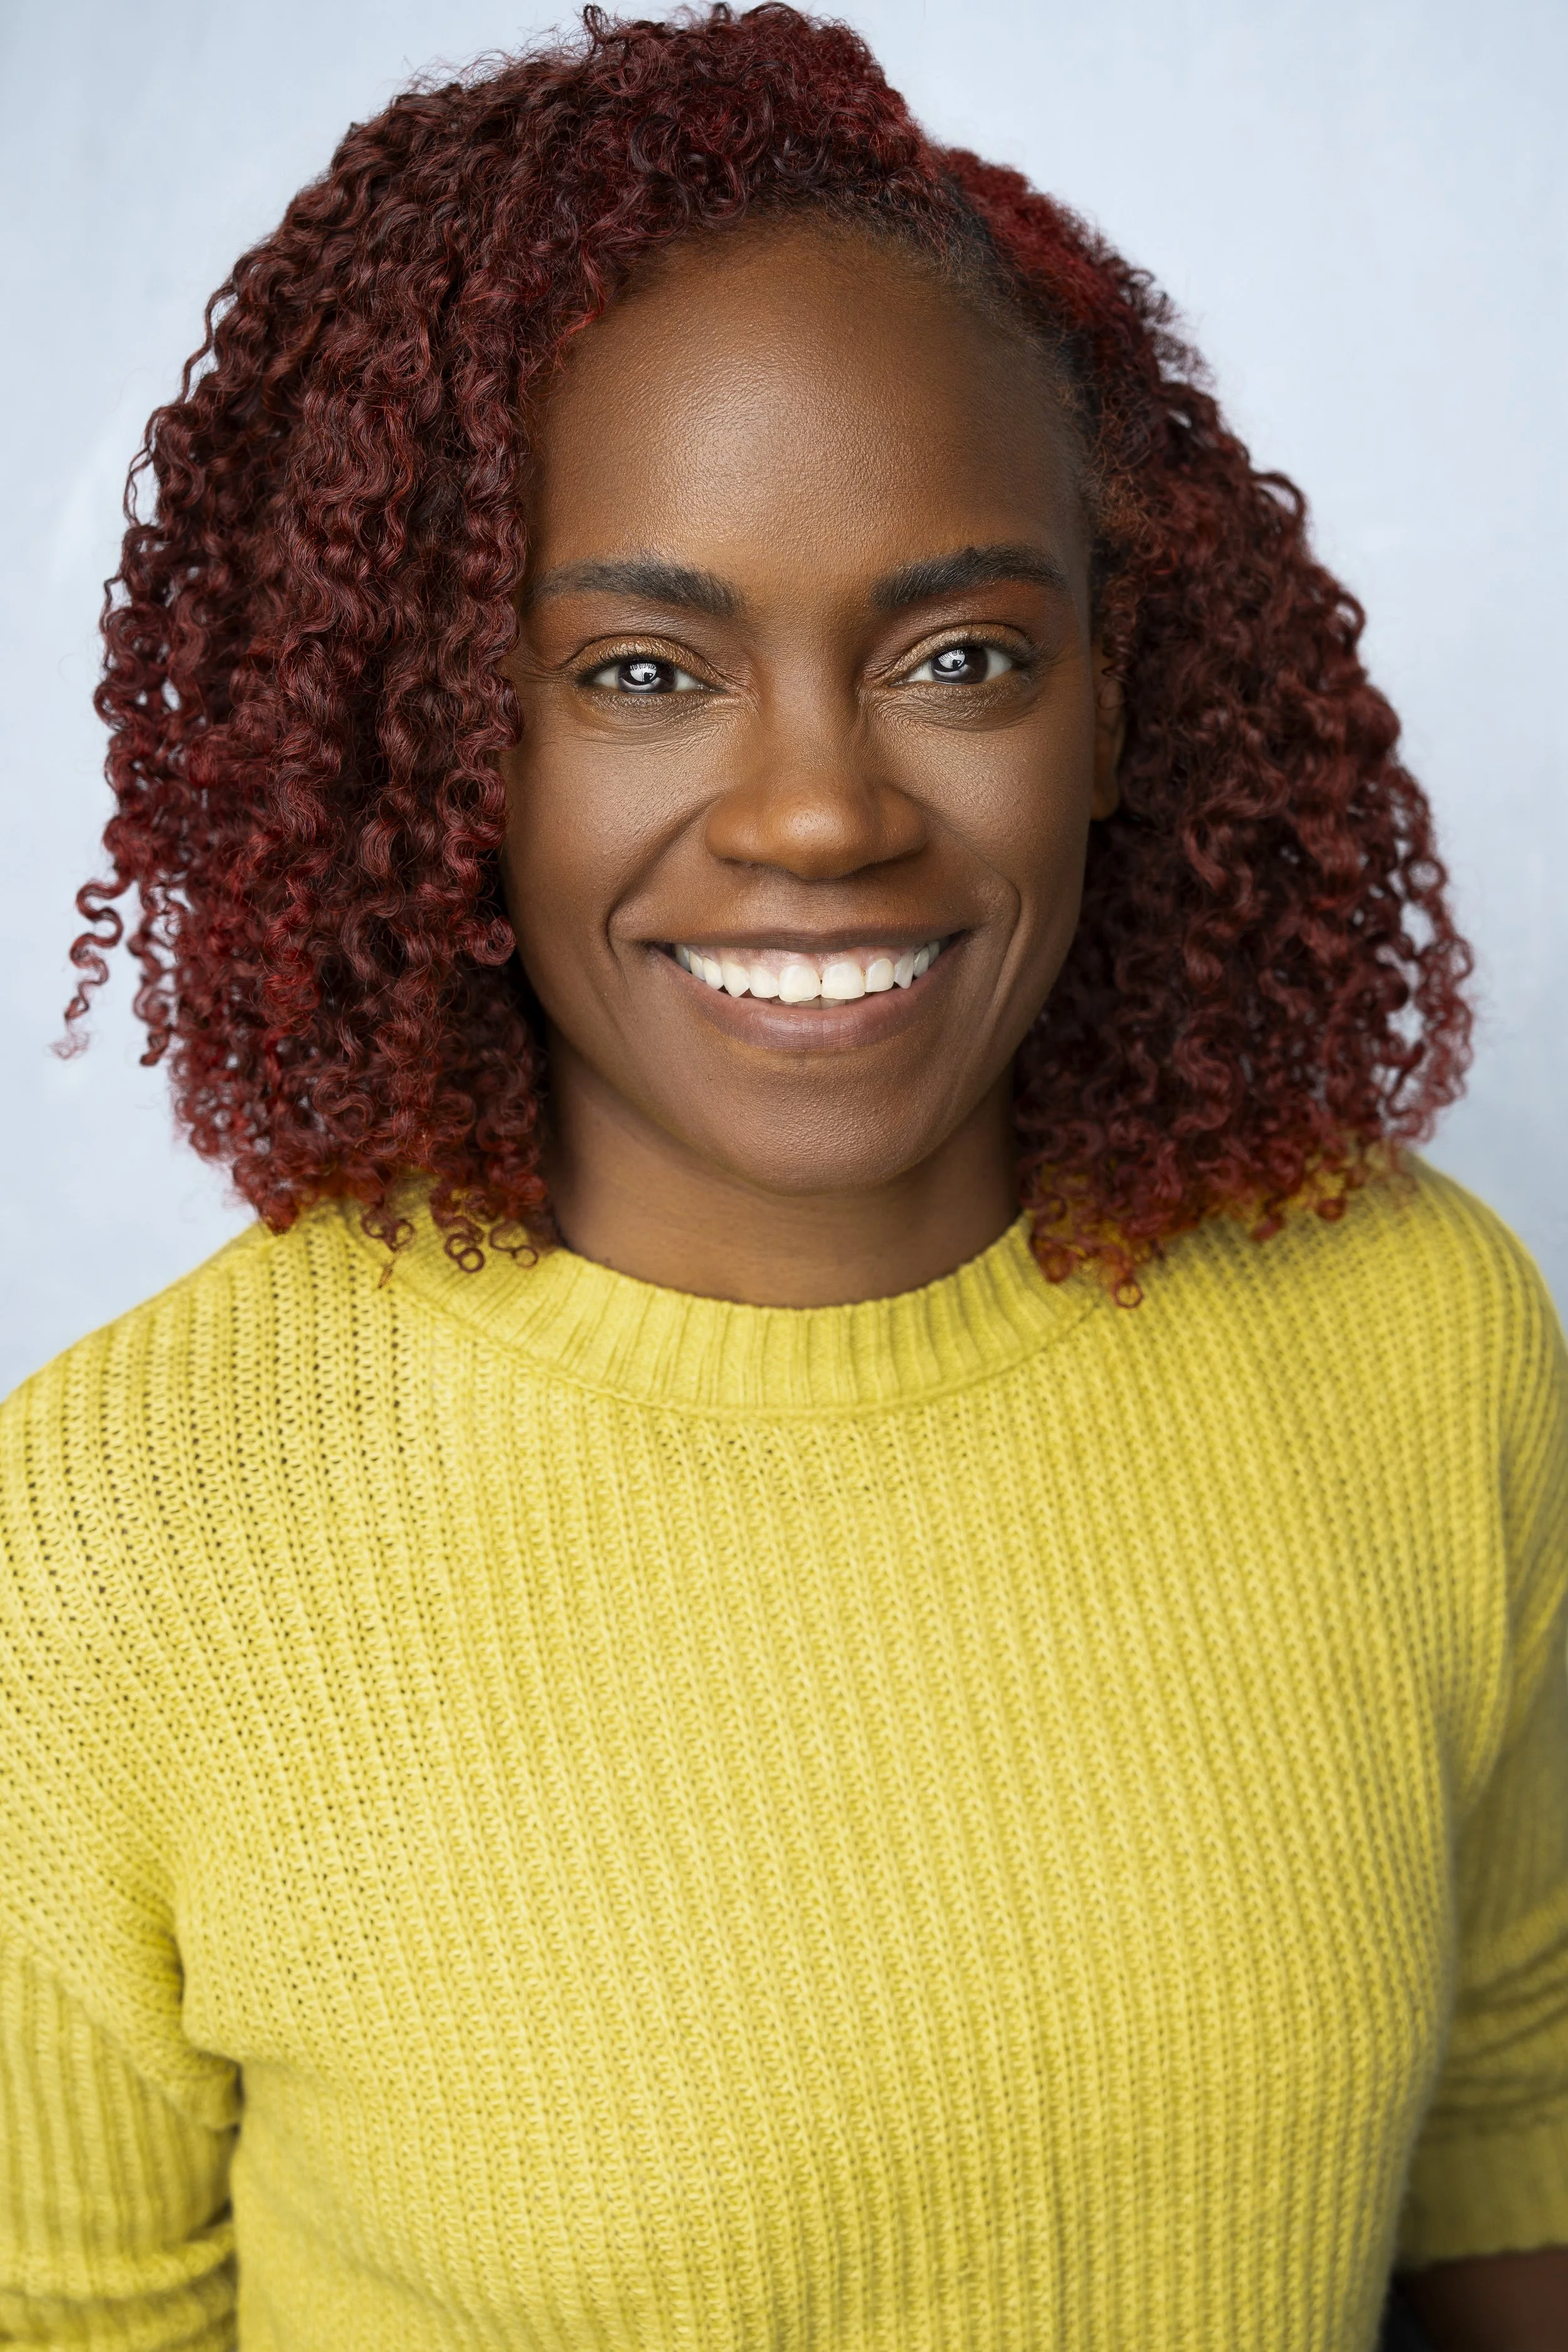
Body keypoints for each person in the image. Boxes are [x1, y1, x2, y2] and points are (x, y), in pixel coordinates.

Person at [2, 6, 1564, 2346]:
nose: (819, 813)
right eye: (640, 673)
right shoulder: (111, 1539)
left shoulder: (1417, 1332)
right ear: (433, 741)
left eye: (956, 655)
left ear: (1116, 700)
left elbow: (1506, 2133)